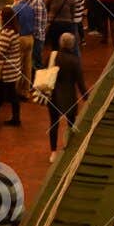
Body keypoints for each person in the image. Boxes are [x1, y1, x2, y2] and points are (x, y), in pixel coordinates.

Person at [44, 32, 87, 162]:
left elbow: (45, 70)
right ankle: (69, 148)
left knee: (53, 123)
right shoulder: (74, 60)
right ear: (72, 45)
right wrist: (86, 97)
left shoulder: (52, 56)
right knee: (71, 123)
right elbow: (80, 82)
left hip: (53, 95)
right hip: (69, 96)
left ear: (60, 43)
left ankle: (53, 152)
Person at [11, 0, 40, 93]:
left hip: (21, 39)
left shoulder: (15, 8)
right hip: (30, 38)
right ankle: (26, 91)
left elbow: (13, 25)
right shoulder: (30, 7)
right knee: (28, 66)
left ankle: (17, 91)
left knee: (18, 65)